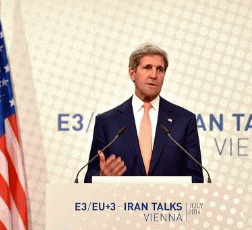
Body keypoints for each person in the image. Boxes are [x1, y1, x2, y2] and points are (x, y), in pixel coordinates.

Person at [84, 43, 203, 183]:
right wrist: (102, 178)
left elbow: (196, 179)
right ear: (132, 73)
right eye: (147, 68)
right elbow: (90, 179)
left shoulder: (184, 120)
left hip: (169, 203)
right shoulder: (107, 122)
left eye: (160, 69)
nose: (154, 75)